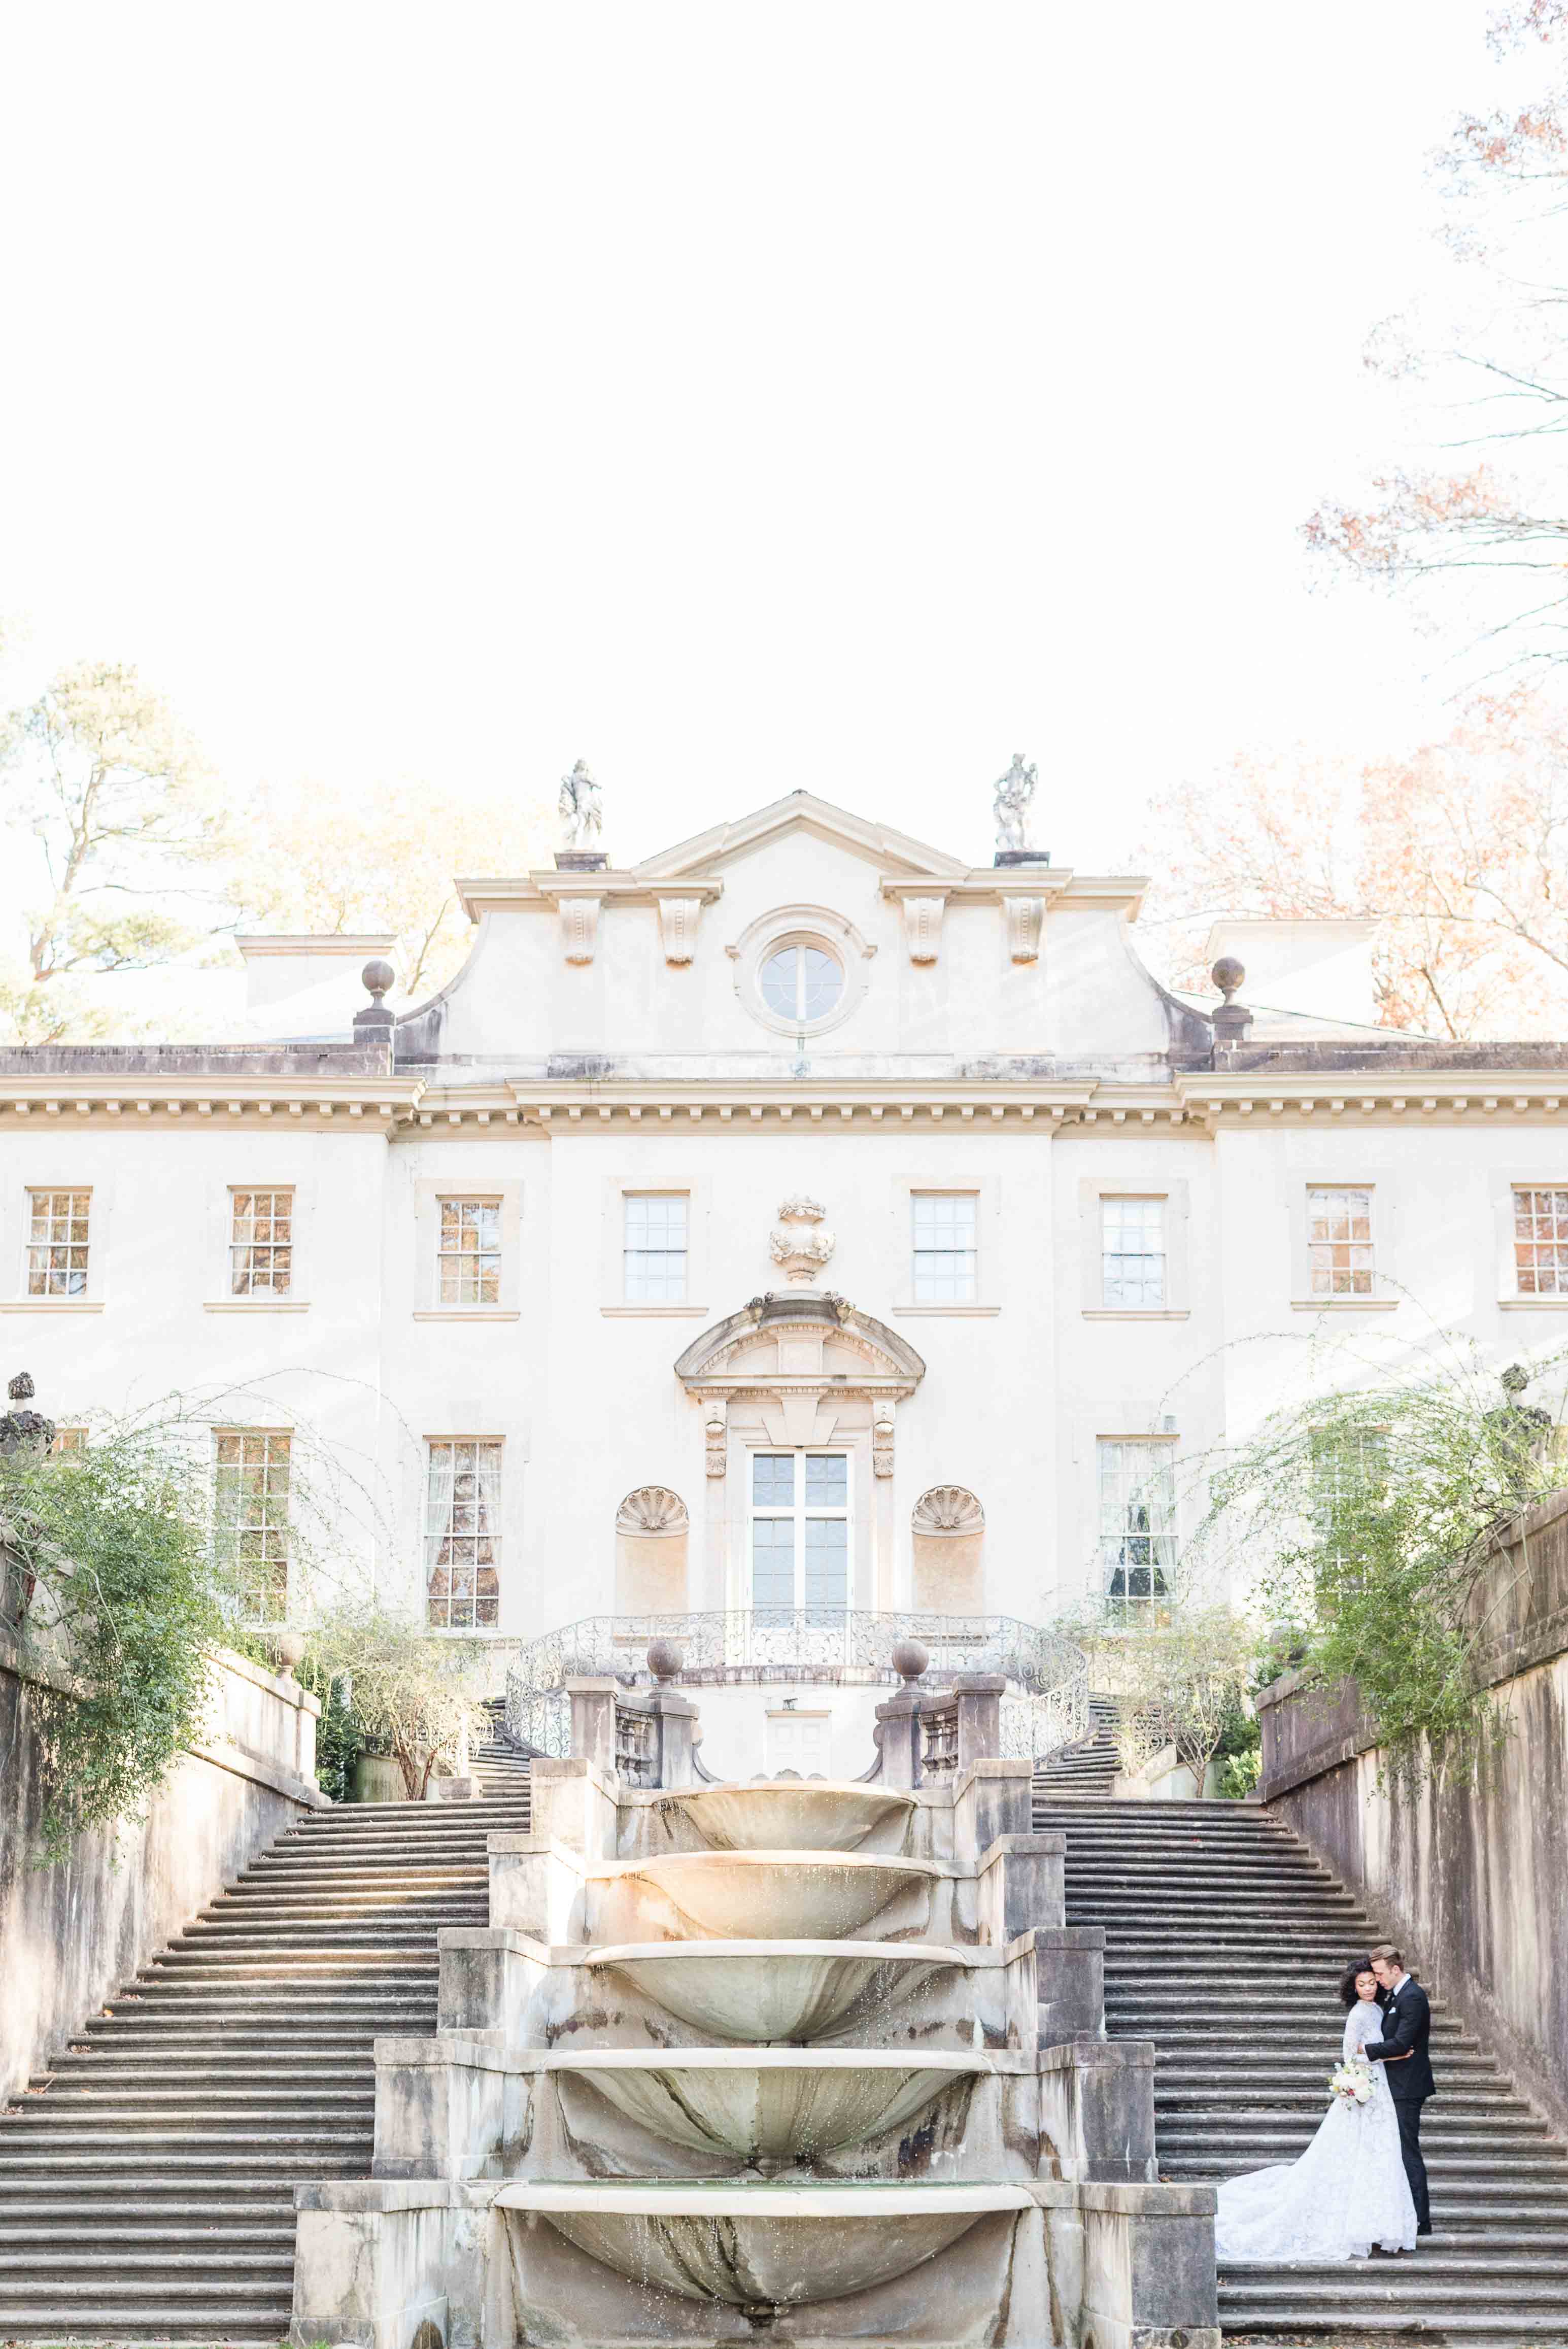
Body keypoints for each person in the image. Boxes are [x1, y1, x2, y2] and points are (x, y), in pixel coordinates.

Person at [1213, 1954, 1418, 2263]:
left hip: (1381, 2090)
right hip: (1366, 2086)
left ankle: (1376, 2225)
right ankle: (1357, 2226)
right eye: (1361, 1984)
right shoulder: (1357, 2016)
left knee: (1379, 2155)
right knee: (1356, 2154)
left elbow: (1375, 2047)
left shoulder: (1378, 2009)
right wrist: (1390, 2058)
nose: (1367, 1988)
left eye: (1372, 1983)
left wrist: (1388, 2057)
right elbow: (1350, 2055)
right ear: (1353, 1988)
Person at [1362, 1942, 1435, 2238]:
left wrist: (1364, 2050)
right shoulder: (1395, 1995)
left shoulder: (1412, 1998)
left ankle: (1420, 2220)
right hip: (1396, 2084)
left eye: (1380, 1974)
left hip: (1407, 2087)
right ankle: (1406, 2214)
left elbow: (1403, 2043)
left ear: (1396, 1969)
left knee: (1408, 2151)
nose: (1377, 1980)